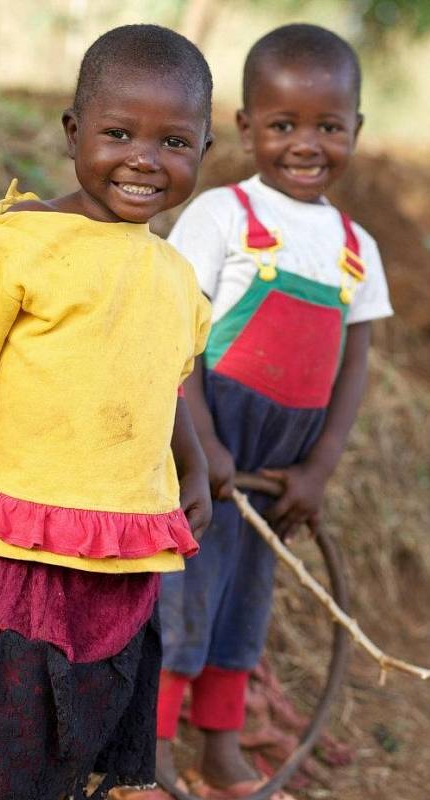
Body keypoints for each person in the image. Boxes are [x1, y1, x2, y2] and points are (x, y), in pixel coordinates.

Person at [0, 24, 214, 800]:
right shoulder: (20, 244)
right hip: (19, 541)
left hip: (120, 547)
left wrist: (194, 466)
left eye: (174, 141)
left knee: (75, 732)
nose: (144, 158)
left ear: (204, 151)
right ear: (74, 133)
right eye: (118, 133)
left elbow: (161, 387)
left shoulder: (175, 277)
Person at [156, 23, 393, 800]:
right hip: (204, 447)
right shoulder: (223, 216)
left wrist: (318, 468)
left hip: (277, 465)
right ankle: (148, 749)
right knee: (181, 596)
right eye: (283, 124)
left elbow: (351, 365)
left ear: (354, 129)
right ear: (245, 125)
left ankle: (219, 749)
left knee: (244, 606)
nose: (306, 143)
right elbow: (175, 337)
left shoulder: (355, 247)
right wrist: (201, 444)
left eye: (328, 126)